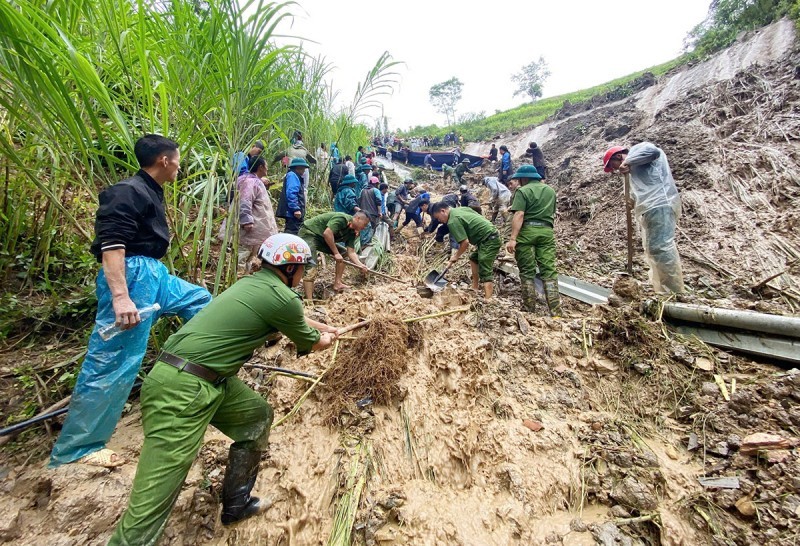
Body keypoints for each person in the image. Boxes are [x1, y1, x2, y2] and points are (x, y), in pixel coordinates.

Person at [107, 234, 339, 546]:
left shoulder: (254, 285)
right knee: (156, 494)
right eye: (302, 269)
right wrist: (327, 338)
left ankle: (236, 504)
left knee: (256, 416)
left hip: (206, 379)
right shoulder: (283, 299)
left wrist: (323, 326)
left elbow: (294, 317)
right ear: (290, 269)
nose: (303, 275)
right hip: (183, 389)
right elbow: (312, 342)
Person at [49, 135, 212, 468]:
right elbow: (112, 246)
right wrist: (121, 297)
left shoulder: (150, 191)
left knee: (202, 301)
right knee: (114, 360)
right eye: (178, 158)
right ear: (164, 160)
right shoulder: (127, 192)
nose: (180, 164)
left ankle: (196, 369)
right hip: (132, 278)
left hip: (154, 274)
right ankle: (79, 449)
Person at [603, 143, 684, 293]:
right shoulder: (633, 169)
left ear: (618, 156)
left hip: (660, 204)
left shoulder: (638, 150)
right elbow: (640, 188)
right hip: (649, 209)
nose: (615, 170)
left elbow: (653, 152)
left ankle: (674, 292)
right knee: (653, 249)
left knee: (660, 247)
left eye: (613, 166)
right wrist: (632, 200)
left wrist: (629, 161)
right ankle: (661, 288)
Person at [505, 165, 562, 316]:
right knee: (549, 270)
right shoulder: (550, 191)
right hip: (546, 232)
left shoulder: (522, 191)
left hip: (527, 233)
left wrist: (512, 239)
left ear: (524, 178)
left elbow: (519, 215)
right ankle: (556, 311)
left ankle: (529, 308)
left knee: (527, 271)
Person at [219, 156, 279, 271]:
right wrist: (246, 221)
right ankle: (237, 279)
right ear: (260, 167)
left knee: (249, 256)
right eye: (266, 166)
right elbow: (245, 201)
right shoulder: (249, 181)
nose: (267, 168)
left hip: (255, 229)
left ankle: (243, 276)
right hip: (249, 228)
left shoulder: (250, 180)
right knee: (242, 254)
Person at [431, 202, 501, 299]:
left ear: (443, 211)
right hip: (488, 236)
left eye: (439, 218)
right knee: (473, 258)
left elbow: (465, 243)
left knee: (484, 265)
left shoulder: (452, 221)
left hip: (489, 239)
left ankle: (488, 299)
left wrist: (455, 256)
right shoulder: (460, 209)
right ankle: (475, 288)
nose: (440, 221)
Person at [298, 211, 371, 298]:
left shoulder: (352, 232)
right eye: (365, 224)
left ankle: (337, 283)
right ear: (358, 219)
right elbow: (327, 233)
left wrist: (360, 265)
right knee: (311, 266)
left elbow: (350, 252)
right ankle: (309, 302)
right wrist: (336, 253)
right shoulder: (342, 219)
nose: (365, 227)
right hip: (309, 233)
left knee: (343, 253)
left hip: (321, 239)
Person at [276, 157, 309, 234]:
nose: (304, 170)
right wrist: (295, 209)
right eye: (303, 168)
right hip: (292, 213)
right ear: (298, 167)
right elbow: (291, 193)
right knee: (292, 231)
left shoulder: (294, 175)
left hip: (292, 212)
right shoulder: (292, 175)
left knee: (295, 230)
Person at [358, 178, 383, 245]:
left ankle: (361, 242)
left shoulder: (362, 190)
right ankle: (367, 242)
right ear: (375, 183)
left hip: (362, 212)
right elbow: (378, 202)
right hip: (372, 213)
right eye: (377, 183)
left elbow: (359, 200)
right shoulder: (376, 190)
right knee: (372, 227)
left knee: (362, 227)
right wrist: (379, 212)